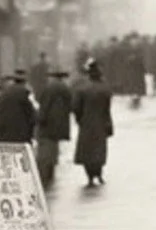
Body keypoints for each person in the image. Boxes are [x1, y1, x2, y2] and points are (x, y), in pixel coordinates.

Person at [72, 58, 113, 187]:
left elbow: (76, 108)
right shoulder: (105, 89)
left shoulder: (82, 89)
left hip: (86, 124)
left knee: (87, 151)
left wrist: (80, 120)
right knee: (99, 150)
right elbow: (107, 108)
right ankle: (99, 174)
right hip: (101, 123)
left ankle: (89, 176)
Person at [35, 67, 72, 188]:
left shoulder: (49, 89)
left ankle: (44, 176)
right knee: (53, 150)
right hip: (59, 126)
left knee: (45, 151)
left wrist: (40, 120)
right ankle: (50, 172)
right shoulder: (65, 89)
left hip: (47, 125)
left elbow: (44, 107)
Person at [0, 68, 36, 143]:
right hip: (20, 135)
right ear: (25, 82)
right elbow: (31, 116)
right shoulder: (25, 93)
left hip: (3, 135)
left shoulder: (4, 93)